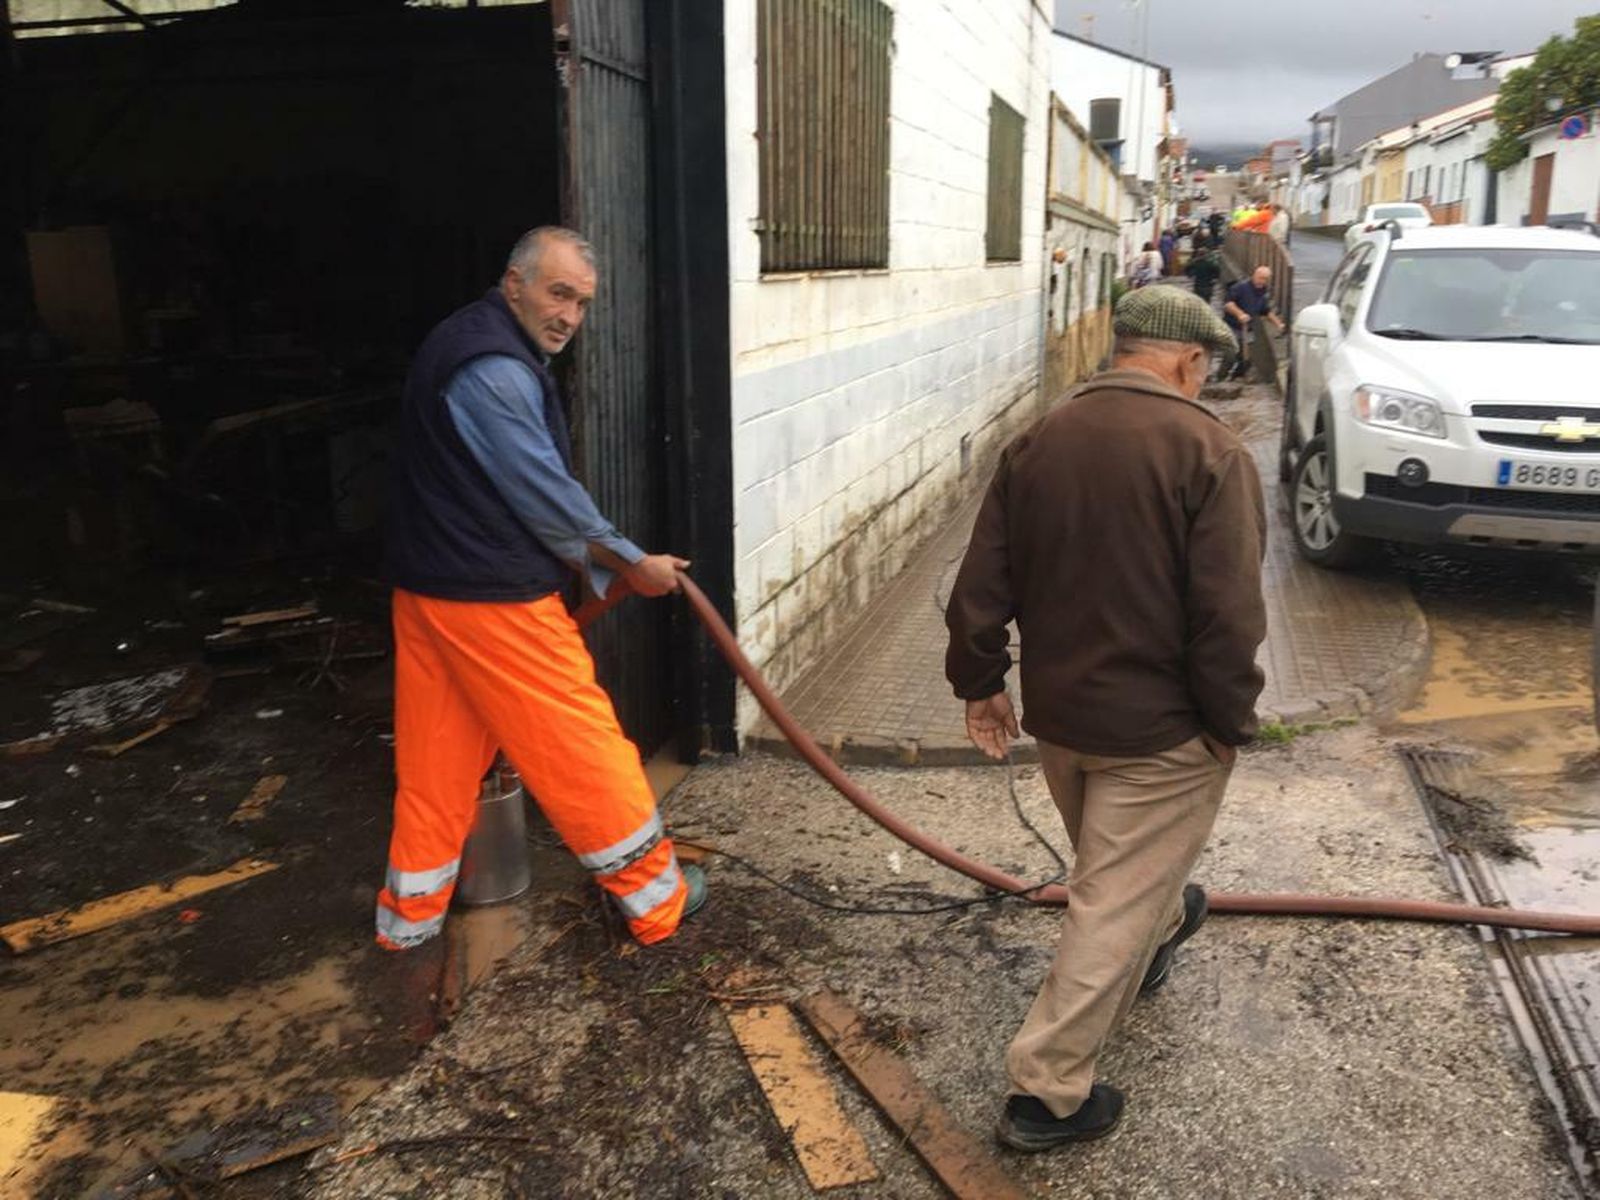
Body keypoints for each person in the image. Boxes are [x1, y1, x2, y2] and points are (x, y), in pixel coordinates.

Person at [944, 285, 1267, 1153]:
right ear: (1190, 360)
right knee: (1107, 902)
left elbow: (980, 586)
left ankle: (1164, 923)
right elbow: (1227, 614)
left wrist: (981, 681)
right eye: (1204, 369)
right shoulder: (1211, 451)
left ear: (1122, 346)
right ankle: (1046, 1095)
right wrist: (1231, 721)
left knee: (1121, 877)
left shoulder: (1038, 439)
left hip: (1064, 724)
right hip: (1161, 735)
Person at [377, 226, 706, 951]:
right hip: (492, 600)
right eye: (560, 294)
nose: (570, 316)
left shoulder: (470, 342)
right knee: (580, 742)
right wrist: (629, 562)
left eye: (583, 304)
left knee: (437, 761)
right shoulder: (493, 368)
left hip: (429, 592)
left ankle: (409, 920)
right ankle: (657, 898)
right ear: (515, 282)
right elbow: (543, 493)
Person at [1222, 264, 1286, 380]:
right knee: (1230, 355)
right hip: (1232, 325)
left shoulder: (1263, 292)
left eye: (1266, 279)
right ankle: (1220, 378)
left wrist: (1278, 324)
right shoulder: (1240, 288)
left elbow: (1265, 311)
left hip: (1248, 328)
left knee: (1247, 358)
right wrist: (1240, 314)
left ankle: (1236, 378)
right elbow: (1228, 304)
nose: (1262, 281)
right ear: (1255, 276)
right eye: (1261, 278)